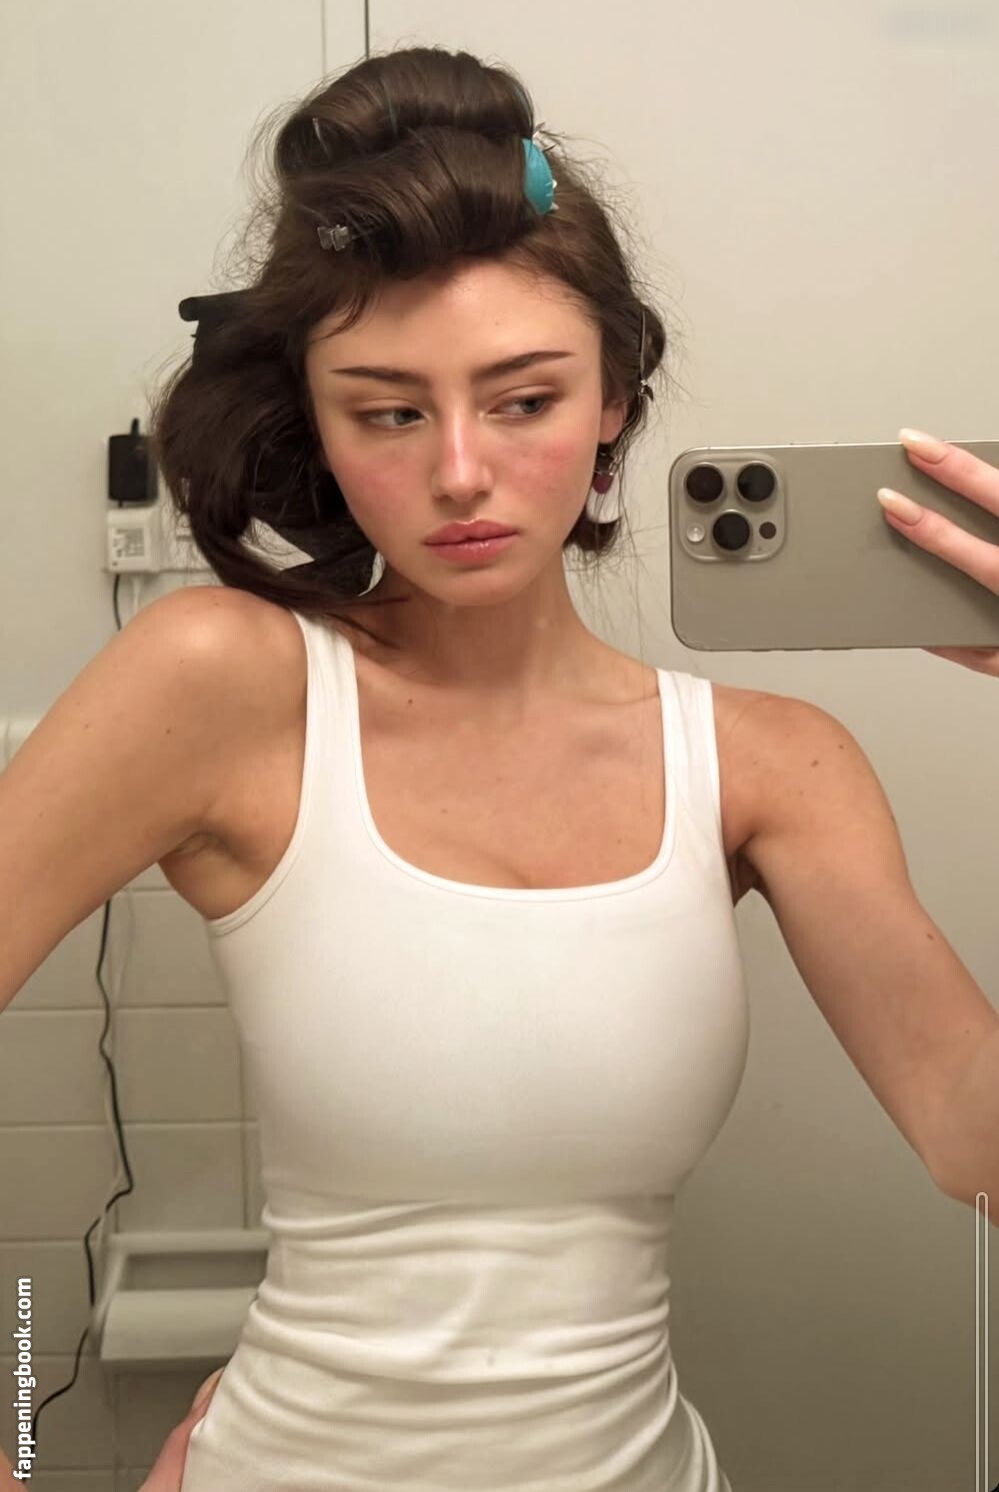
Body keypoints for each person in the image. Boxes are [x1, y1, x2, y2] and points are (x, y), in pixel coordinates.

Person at [11, 43, 998, 1492]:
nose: (461, 471)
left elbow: (974, 1137)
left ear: (614, 401)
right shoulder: (222, 682)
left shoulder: (771, 764)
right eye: (389, 410)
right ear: (315, 419)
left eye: (525, 400)